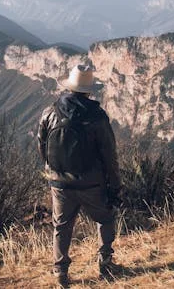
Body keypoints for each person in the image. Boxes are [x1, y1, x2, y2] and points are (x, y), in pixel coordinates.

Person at [38, 64, 123, 287]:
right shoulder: (97, 116)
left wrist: (53, 171)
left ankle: (60, 272)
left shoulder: (50, 112)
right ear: (88, 90)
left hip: (59, 183)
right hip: (91, 182)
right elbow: (109, 154)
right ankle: (105, 263)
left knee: (62, 226)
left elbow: (42, 145)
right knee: (105, 218)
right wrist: (114, 184)